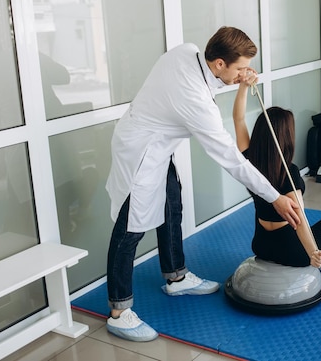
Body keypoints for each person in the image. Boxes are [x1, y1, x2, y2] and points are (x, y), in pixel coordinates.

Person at [104, 27, 302, 342]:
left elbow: (205, 85)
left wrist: (237, 81)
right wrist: (275, 196)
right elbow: (233, 160)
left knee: (172, 205)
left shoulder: (188, 51)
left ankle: (176, 277)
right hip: (140, 150)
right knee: (130, 228)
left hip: (157, 145)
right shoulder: (196, 100)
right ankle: (118, 311)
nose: (243, 73)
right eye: (239, 68)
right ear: (220, 62)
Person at [232, 76, 321, 271]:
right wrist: (313, 254)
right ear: (287, 138)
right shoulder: (289, 171)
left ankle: (319, 256)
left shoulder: (249, 161)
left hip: (260, 246)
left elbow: (238, 118)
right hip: (293, 253)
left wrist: (243, 87)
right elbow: (298, 220)